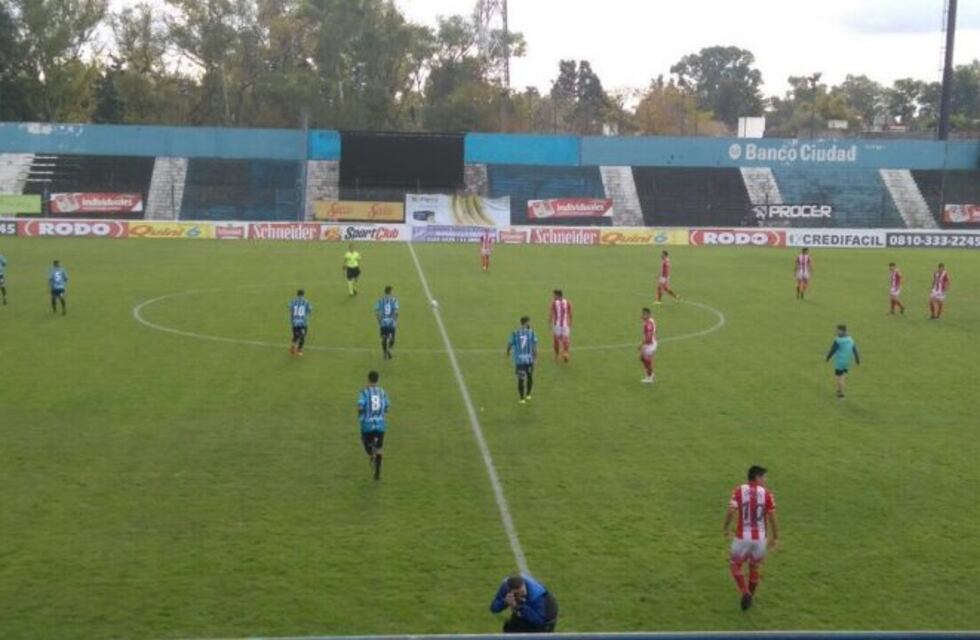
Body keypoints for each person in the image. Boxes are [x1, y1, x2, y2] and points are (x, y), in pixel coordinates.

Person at [723, 465, 778, 612]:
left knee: (735, 565)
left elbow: (730, 511)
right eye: (764, 477)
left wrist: (726, 528)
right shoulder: (767, 494)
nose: (766, 480)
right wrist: (775, 537)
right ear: (757, 477)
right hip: (760, 539)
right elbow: (772, 517)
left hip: (742, 537)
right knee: (754, 567)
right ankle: (750, 598)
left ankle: (745, 592)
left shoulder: (739, 490)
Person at [489, 573, 559, 633]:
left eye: (522, 591)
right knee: (509, 628)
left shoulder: (537, 595)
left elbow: (539, 621)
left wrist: (520, 607)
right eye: (517, 593)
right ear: (510, 590)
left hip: (545, 621)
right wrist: (505, 602)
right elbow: (494, 608)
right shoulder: (506, 587)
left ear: (524, 584)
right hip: (527, 612)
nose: (522, 594)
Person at [357, 370, 390, 481]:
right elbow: (387, 407)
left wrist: (361, 415)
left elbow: (360, 406)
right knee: (380, 449)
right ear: (377, 380)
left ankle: (371, 452)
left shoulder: (364, 392)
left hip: (367, 424)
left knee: (365, 441)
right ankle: (377, 474)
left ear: (368, 379)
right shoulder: (382, 392)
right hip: (380, 424)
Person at [507, 316, 538, 404]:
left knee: (521, 379)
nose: (530, 324)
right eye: (529, 322)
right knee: (530, 377)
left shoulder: (515, 333)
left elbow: (510, 344)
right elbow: (534, 347)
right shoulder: (532, 333)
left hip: (519, 360)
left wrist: (508, 352)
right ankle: (528, 394)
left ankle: (522, 398)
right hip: (529, 360)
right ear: (526, 323)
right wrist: (535, 358)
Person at [825, 324, 860, 398]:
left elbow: (833, 350)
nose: (836, 332)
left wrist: (828, 357)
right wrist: (857, 359)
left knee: (839, 377)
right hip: (847, 361)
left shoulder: (838, 340)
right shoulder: (850, 339)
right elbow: (855, 350)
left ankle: (841, 394)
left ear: (843, 331)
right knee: (843, 375)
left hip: (840, 361)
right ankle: (838, 390)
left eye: (838, 330)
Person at [375, 285, 399, 360]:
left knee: (384, 338)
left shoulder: (379, 300)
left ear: (385, 291)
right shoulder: (394, 300)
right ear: (390, 292)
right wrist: (394, 321)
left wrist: (379, 322)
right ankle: (390, 349)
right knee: (393, 338)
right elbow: (396, 312)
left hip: (383, 323)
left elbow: (377, 313)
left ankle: (384, 353)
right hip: (391, 322)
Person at [548, 289, 572, 362]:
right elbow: (570, 313)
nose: (553, 296)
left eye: (554, 295)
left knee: (556, 340)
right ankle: (566, 353)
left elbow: (551, 313)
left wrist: (549, 321)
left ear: (557, 295)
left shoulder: (554, 303)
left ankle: (556, 355)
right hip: (565, 324)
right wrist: (570, 321)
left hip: (557, 325)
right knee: (566, 339)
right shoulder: (567, 302)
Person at [288, 289, 312, 356]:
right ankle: (299, 350)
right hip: (303, 323)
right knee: (302, 336)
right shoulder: (306, 302)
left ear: (297, 294)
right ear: (303, 294)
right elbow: (309, 310)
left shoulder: (293, 301)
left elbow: (289, 307)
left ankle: (293, 346)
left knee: (296, 336)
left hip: (294, 322)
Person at [639, 307, 657, 383]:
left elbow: (648, 337)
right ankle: (651, 374)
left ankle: (650, 378)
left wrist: (642, 345)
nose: (642, 315)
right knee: (642, 358)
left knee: (647, 361)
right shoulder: (650, 320)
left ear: (649, 315)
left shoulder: (648, 324)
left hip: (650, 344)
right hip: (650, 343)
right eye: (642, 314)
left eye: (644, 314)